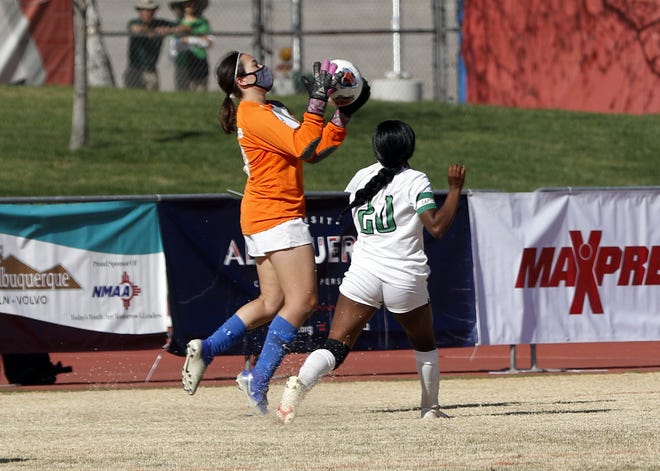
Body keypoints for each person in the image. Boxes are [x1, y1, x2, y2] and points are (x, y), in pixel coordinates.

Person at [181, 50, 371, 415]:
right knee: (303, 301)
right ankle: (259, 377)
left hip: (263, 212)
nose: (263, 67)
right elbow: (302, 144)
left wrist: (343, 112)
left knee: (271, 302)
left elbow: (311, 150)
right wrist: (317, 100)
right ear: (242, 81)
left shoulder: (267, 109)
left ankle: (208, 348)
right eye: (255, 66)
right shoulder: (252, 113)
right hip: (277, 213)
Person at [276, 119, 467, 424]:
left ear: (377, 148)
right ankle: (429, 409)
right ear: (410, 147)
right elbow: (437, 227)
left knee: (335, 346)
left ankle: (297, 388)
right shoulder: (415, 179)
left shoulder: (360, 177)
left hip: (364, 272)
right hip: (403, 274)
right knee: (424, 344)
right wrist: (455, 189)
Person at [124, 0, 184, 90]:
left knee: (152, 96)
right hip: (135, 69)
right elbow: (135, 29)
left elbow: (183, 27)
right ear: (139, 11)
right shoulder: (134, 22)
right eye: (144, 10)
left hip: (151, 70)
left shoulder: (160, 23)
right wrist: (152, 31)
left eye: (150, 10)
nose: (147, 13)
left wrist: (169, 30)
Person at [168, 0, 213, 91]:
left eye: (192, 3)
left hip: (199, 60)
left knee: (200, 89)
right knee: (182, 89)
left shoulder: (202, 22)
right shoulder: (177, 23)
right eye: (186, 3)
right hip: (182, 61)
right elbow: (174, 43)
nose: (190, 5)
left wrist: (189, 37)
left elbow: (207, 42)